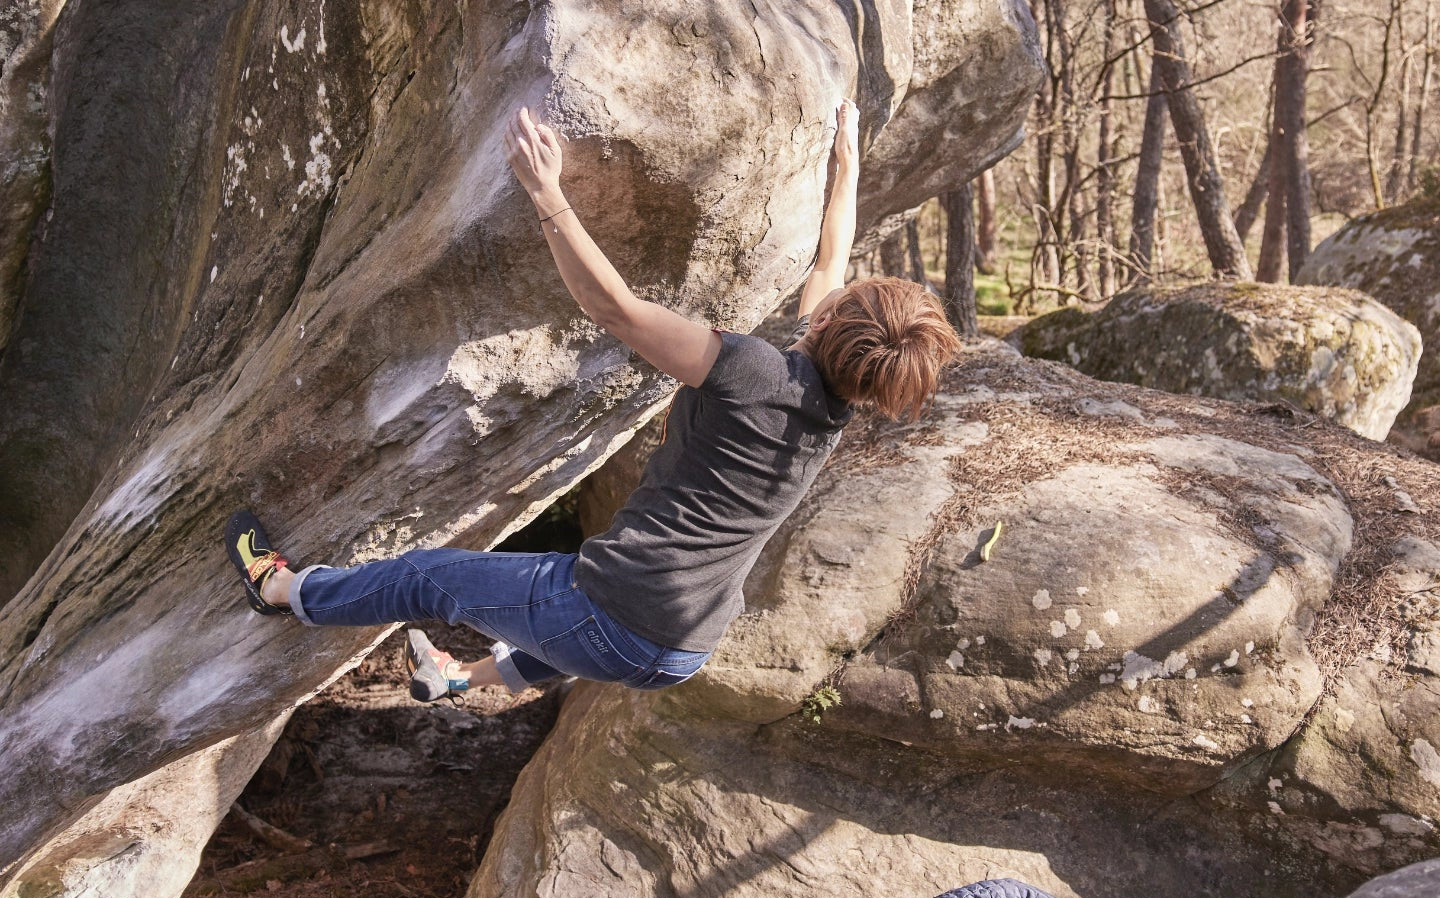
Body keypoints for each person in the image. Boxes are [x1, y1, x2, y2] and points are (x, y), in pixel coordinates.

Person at [226, 102, 961, 700]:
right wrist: (846, 166)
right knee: (566, 629)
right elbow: (829, 260)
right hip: (683, 648)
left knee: (431, 578)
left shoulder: (751, 370)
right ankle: (459, 680)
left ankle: (284, 590)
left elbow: (617, 312)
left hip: (616, 615)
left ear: (827, 326)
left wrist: (547, 193)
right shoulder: (832, 410)